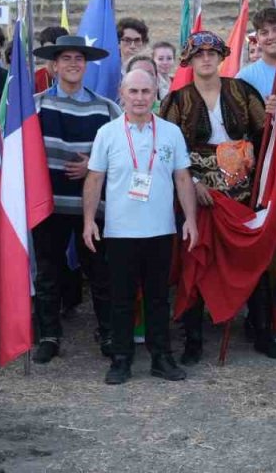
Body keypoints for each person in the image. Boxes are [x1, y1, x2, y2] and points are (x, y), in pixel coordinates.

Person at [159, 31, 276, 361]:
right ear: (190, 60)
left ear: (221, 57)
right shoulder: (177, 100)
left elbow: (264, 133)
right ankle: (193, 340)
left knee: (251, 259)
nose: (206, 58)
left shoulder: (242, 91)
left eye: (212, 52)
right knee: (196, 260)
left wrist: (275, 113)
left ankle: (263, 332)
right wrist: (193, 184)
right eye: (199, 54)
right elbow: (168, 149)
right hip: (197, 192)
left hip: (242, 192)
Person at [83, 69, 198, 384]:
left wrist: (190, 219)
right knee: (121, 299)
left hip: (161, 231)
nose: (139, 98)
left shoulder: (171, 132)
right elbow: (95, 178)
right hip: (120, 233)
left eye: (146, 92)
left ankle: (161, 357)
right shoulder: (107, 133)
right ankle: (121, 359)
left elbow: (183, 178)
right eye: (133, 91)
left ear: (155, 94)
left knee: (158, 298)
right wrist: (88, 220)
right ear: (122, 92)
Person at [31, 35, 121, 364]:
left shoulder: (107, 108)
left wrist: (93, 166)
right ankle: (49, 335)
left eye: (78, 58)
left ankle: (109, 333)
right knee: (48, 272)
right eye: (66, 58)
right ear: (53, 66)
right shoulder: (35, 105)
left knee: (101, 272)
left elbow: (121, 154)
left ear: (86, 65)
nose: (72, 63)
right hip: (48, 205)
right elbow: (21, 152)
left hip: (92, 208)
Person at [35, 25, 69, 93]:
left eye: (58, 51)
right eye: (47, 51)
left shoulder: (76, 77)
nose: (53, 57)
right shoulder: (35, 79)